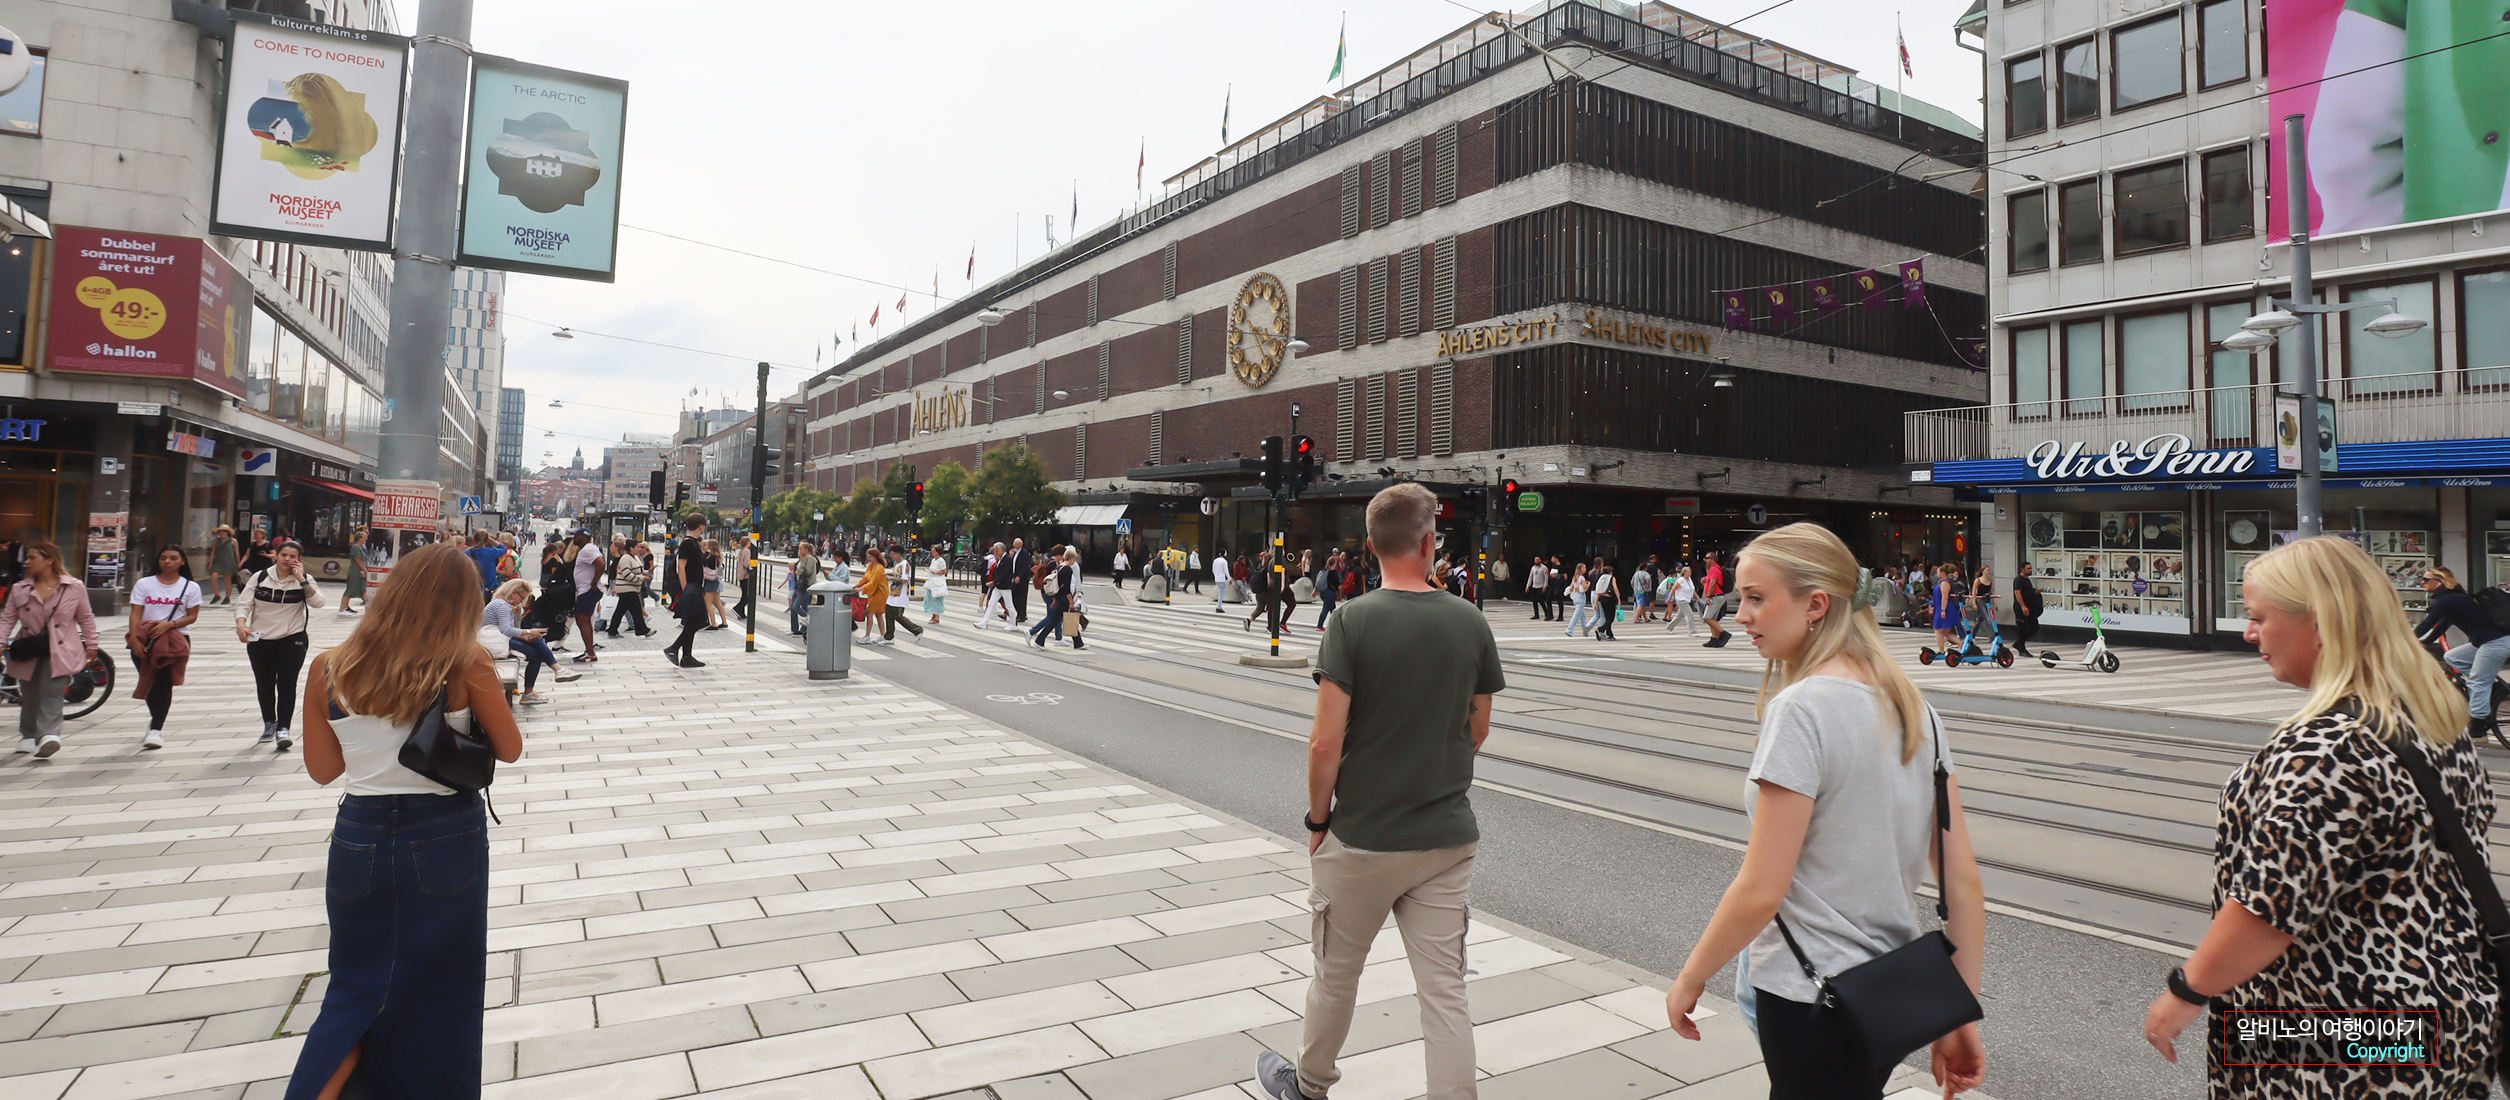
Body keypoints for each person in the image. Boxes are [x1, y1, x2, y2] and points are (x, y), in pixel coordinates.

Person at [2145, 536, 2498, 1097]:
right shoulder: (2430, 721)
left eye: (2259, 617)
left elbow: (2270, 906)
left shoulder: (2327, 747)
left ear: (2319, 621)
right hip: (2447, 1010)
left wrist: (2184, 993)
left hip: (2348, 1024)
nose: (2249, 633)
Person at [1663, 522, 1985, 1100]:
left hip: (1810, 991)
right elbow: (1962, 882)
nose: (1741, 615)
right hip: (1887, 990)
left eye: (1756, 598)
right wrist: (1957, 1011)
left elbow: (1762, 887)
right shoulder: (1915, 709)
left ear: (1815, 605)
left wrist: (1691, 976)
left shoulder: (1802, 709)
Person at [1252, 484, 1502, 1100]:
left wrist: (1318, 823)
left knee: (1335, 977)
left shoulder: (1351, 620)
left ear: (1369, 546)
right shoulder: (1469, 619)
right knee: (1445, 993)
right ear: (1429, 542)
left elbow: (1324, 744)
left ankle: (1309, 1086)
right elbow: (1478, 727)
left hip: (1362, 837)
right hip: (1445, 839)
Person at [283, 542, 523, 1100]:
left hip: (359, 836)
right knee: (443, 988)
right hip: (445, 834)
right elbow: (509, 749)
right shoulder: (466, 662)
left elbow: (323, 770)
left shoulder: (328, 666)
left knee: (356, 986)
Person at [3, 540, 99, 757]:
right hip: (29, 647)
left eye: (32, 557)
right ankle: (29, 735)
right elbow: (7, 619)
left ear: (49, 560)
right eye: (26, 558)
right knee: (30, 693)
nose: (27, 562)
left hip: (62, 647)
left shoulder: (73, 587)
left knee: (52, 690)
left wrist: (92, 644)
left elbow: (86, 617)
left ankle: (49, 735)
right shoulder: (20, 588)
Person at [238, 539, 327, 751]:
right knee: (264, 682)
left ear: (299, 559)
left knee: (287, 682)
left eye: (292, 556)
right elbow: (243, 603)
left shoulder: (304, 579)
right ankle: (270, 723)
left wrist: (301, 579)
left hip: (292, 637)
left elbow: (318, 603)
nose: (287, 559)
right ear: (276, 555)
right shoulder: (260, 577)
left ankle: (284, 729)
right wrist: (241, 624)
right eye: (284, 555)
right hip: (260, 639)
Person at [2417, 567, 2510, 738]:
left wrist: (2406, 640)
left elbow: (2428, 623)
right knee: (2453, 657)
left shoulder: (2447, 600)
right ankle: (2494, 687)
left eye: (2426, 579)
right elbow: (2443, 625)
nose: (2422, 582)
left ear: (2440, 582)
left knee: (2477, 682)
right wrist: (2425, 642)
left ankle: (2478, 725)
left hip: (2495, 643)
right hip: (2488, 642)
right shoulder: (2454, 599)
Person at [129, 544, 202, 751]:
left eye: (173, 558)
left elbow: (192, 616)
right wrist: (134, 639)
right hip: (146, 638)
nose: (167, 562)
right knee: (148, 681)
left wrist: (169, 624)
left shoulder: (190, 587)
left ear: (182, 561)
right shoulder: (144, 584)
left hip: (175, 640)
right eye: (163, 558)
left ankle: (156, 728)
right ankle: (156, 720)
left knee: (163, 683)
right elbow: (136, 612)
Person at [487, 578, 574, 704]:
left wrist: (525, 636)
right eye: (522, 598)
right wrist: (528, 632)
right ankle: (554, 672)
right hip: (494, 642)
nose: (522, 602)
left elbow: (505, 630)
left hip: (497, 639)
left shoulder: (499, 603)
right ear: (513, 593)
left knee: (537, 642)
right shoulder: (503, 606)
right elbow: (506, 630)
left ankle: (556, 671)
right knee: (536, 653)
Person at [662, 516, 711, 668]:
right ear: (701, 526)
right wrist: (685, 589)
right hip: (691, 587)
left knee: (692, 622)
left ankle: (686, 657)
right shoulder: (688, 543)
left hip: (694, 586)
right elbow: (681, 566)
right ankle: (673, 648)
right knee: (700, 621)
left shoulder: (694, 543)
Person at [1030, 547, 1084, 650]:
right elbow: (1066, 588)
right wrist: (1071, 602)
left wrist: (1055, 600)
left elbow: (1058, 586)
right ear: (1072, 558)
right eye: (1075, 559)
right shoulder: (1067, 569)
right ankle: (1039, 640)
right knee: (1056, 621)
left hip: (1059, 597)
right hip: (1064, 599)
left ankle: (1078, 643)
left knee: (1063, 619)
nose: (1075, 561)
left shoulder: (1059, 567)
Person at [569, 531, 604, 661]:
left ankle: (590, 653)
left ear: (584, 537)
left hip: (587, 590)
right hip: (586, 590)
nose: (574, 538)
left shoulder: (588, 549)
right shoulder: (588, 548)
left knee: (582, 620)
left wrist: (594, 583)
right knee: (585, 621)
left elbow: (601, 564)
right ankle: (589, 651)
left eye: (576, 535)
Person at [606, 543, 653, 638]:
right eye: (637, 547)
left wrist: (648, 572)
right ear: (631, 548)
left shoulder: (635, 557)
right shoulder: (625, 558)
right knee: (636, 610)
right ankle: (642, 630)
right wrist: (642, 578)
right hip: (627, 588)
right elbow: (627, 574)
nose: (639, 549)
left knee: (620, 610)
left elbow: (639, 571)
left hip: (630, 588)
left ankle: (612, 630)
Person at [882, 546, 925, 642]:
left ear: (898, 554)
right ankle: (889, 637)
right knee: (889, 614)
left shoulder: (904, 564)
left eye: (893, 554)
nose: (891, 556)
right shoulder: (898, 564)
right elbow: (897, 574)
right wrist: (889, 574)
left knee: (898, 615)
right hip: (893, 593)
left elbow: (904, 579)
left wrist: (891, 578)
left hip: (900, 594)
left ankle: (917, 630)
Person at [1699, 553, 1736, 648]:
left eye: (1707, 558)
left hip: (1715, 597)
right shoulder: (1715, 569)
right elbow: (1711, 583)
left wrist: (1708, 596)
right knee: (1713, 619)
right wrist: (1705, 581)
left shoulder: (1714, 569)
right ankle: (1714, 639)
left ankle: (1723, 633)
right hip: (1718, 596)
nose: (1705, 560)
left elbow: (1713, 583)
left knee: (1707, 618)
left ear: (1713, 559)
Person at [980, 542, 1018, 630]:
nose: (995, 552)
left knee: (1009, 605)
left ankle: (1013, 623)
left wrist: (994, 582)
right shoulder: (1001, 558)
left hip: (1005, 586)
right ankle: (984, 622)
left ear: (1001, 550)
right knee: (991, 603)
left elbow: (1005, 573)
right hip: (998, 586)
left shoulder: (1007, 559)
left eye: (997, 550)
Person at [2011, 561, 2043, 659]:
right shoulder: (2018, 580)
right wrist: (2023, 606)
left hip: (2030, 607)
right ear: (2022, 569)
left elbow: (2027, 592)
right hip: (2021, 608)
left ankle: (2019, 643)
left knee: (2034, 627)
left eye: (2031, 568)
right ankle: (2021, 648)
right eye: (2028, 568)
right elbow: (2018, 593)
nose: (2030, 570)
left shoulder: (2027, 580)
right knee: (2022, 628)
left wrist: (2035, 592)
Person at [789, 540, 821, 636]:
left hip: (807, 586)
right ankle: (802, 629)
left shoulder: (809, 558)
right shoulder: (802, 559)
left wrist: (799, 571)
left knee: (796, 606)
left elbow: (808, 571)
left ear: (806, 549)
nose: (799, 551)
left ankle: (809, 620)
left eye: (801, 549)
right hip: (801, 586)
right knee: (800, 606)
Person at [463, 531, 503, 603]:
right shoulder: (492, 552)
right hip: (491, 588)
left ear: (474, 539)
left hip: (474, 589)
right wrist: (491, 539)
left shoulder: (467, 553)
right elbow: (503, 548)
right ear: (487, 540)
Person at [338, 527, 369, 616]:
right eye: (364, 537)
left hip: (358, 570)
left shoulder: (359, 547)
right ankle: (342, 609)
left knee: (362, 588)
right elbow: (358, 560)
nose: (366, 539)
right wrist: (365, 570)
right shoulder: (356, 547)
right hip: (356, 570)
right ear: (359, 538)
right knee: (350, 589)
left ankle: (345, 607)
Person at [1931, 564, 1960, 657]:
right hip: (1940, 607)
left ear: (1943, 572)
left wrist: (1943, 610)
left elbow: (1945, 597)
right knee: (1946, 632)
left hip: (1945, 608)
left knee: (1938, 630)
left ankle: (1941, 651)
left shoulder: (1945, 582)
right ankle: (1961, 644)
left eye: (1938, 572)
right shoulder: (1942, 582)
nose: (1937, 574)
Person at [1663, 565, 1699, 636]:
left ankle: (1669, 627)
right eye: (1688, 572)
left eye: (1690, 572)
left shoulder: (1690, 580)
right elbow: (1673, 589)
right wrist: (1669, 598)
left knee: (1679, 616)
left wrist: (1697, 597)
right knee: (1689, 614)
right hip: (1681, 600)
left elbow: (1692, 589)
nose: (1690, 573)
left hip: (1687, 599)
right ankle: (1692, 631)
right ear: (1684, 572)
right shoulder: (1681, 580)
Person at [1006, 538, 1035, 624]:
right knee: (1015, 596)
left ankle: (1021, 615)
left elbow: (1025, 566)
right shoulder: (1017, 553)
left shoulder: (1024, 553)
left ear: (1020, 544)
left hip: (1022, 578)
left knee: (1021, 597)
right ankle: (1021, 613)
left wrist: (1019, 576)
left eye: (1015, 543)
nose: (1013, 545)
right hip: (1015, 576)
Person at [700, 538, 727, 629]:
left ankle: (714, 624)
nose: (705, 547)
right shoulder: (717, 557)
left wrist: (705, 553)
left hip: (711, 581)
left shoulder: (712, 557)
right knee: (717, 602)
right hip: (715, 581)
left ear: (711, 547)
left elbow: (702, 562)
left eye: (707, 545)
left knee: (708, 603)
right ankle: (724, 622)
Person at [209, 525, 239, 605]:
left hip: (229, 562)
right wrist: (211, 562)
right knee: (213, 577)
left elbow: (236, 553)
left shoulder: (233, 541)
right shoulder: (216, 541)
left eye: (222, 532)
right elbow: (213, 552)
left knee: (227, 580)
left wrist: (238, 563)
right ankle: (217, 594)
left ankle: (227, 597)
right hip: (218, 562)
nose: (221, 534)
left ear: (227, 532)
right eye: (220, 532)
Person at [1561, 562, 1593, 637]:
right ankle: (1569, 629)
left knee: (1582, 615)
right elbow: (1585, 587)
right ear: (1580, 569)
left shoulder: (1575, 577)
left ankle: (1584, 631)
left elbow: (1571, 588)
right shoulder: (1582, 578)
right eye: (1583, 567)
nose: (1585, 569)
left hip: (1575, 596)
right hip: (1581, 596)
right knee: (1577, 614)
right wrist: (1589, 583)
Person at [1591, 559, 1620, 640]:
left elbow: (1598, 590)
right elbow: (1615, 589)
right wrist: (1619, 599)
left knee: (1607, 617)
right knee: (1611, 618)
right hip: (1610, 599)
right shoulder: (1612, 578)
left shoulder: (1601, 578)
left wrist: (1596, 602)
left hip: (1602, 599)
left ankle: (1610, 634)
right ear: (1611, 572)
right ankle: (1600, 629)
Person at [924, 545, 949, 624]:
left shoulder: (941, 561)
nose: (932, 552)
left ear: (938, 552)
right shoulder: (933, 560)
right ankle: (933, 615)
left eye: (933, 551)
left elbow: (944, 571)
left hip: (938, 582)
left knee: (937, 599)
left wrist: (936, 572)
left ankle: (936, 617)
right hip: (932, 581)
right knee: (930, 598)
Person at [1524, 556, 1551, 621]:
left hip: (1541, 586)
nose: (1536, 561)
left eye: (1538, 560)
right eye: (1535, 560)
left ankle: (1547, 613)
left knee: (1540, 600)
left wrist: (1545, 586)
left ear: (1540, 560)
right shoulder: (1533, 568)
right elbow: (1530, 577)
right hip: (1534, 586)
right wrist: (1528, 586)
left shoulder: (1544, 568)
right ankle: (1536, 614)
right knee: (1534, 601)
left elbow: (1546, 578)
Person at [1631, 559, 1656, 624]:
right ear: (1646, 568)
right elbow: (1648, 579)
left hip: (1637, 591)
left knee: (1642, 605)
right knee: (1641, 605)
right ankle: (1637, 618)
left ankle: (1645, 618)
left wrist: (1634, 588)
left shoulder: (1636, 573)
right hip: (1643, 591)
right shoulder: (1645, 573)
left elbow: (1632, 582)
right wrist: (1648, 585)